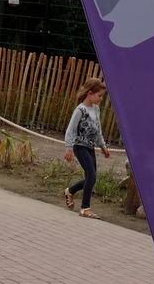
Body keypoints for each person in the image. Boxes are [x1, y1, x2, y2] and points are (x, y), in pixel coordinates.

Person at [63, 77, 110, 219]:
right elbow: (71, 129)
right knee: (92, 176)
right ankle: (85, 208)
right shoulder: (81, 110)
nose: (101, 99)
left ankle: (70, 191)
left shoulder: (96, 109)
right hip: (79, 146)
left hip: (90, 147)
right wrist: (69, 148)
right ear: (90, 93)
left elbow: (97, 130)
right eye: (99, 96)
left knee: (92, 177)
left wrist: (103, 146)